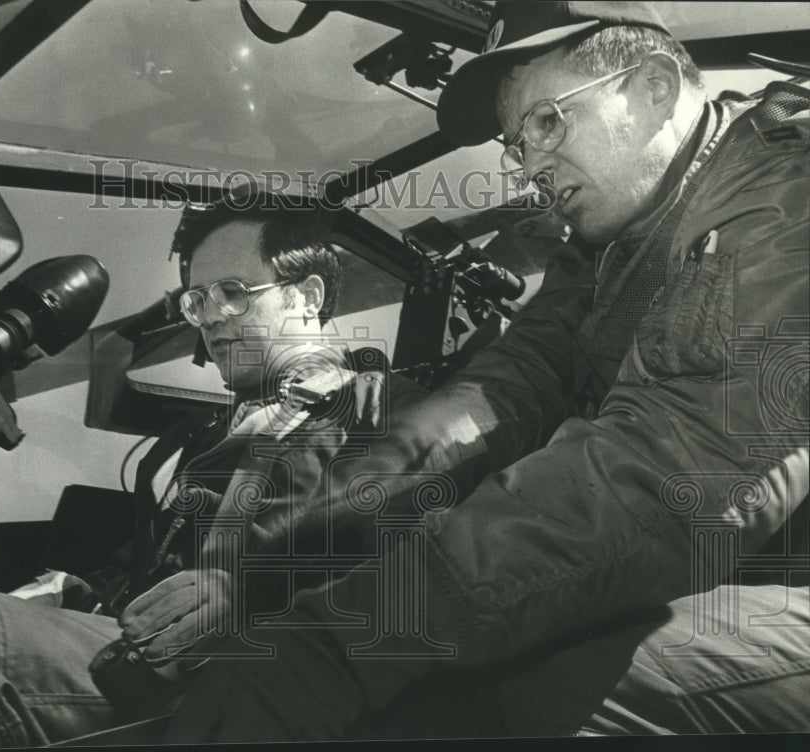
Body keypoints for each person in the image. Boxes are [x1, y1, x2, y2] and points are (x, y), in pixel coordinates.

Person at [160, 1, 810, 741]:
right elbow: (491, 399)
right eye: (515, 143)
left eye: (547, 122)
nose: (530, 164)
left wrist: (348, 637)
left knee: (540, 690)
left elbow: (680, 475)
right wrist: (261, 561)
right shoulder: (599, 255)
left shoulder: (788, 195)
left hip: (781, 583)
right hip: (721, 572)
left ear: (654, 85)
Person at [0, 197, 418, 750]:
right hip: (137, 638)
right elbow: (160, 557)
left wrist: (239, 595)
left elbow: (359, 582)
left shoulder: (380, 416)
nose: (209, 317)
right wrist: (78, 588)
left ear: (307, 296)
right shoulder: (212, 431)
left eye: (232, 292)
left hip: (220, 672)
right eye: (196, 300)